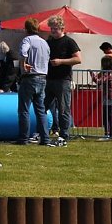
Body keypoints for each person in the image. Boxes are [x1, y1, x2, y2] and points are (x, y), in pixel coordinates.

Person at [16, 19, 55, 146]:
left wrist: (23, 64)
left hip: (30, 77)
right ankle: (45, 138)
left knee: (24, 109)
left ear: (26, 29)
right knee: (41, 110)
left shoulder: (27, 40)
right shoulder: (45, 43)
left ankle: (23, 138)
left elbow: (23, 52)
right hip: (43, 77)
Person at [45, 15, 81, 143]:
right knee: (43, 106)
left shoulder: (69, 42)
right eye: (51, 28)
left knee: (63, 108)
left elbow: (78, 59)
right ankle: (42, 132)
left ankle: (64, 134)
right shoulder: (48, 42)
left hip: (63, 79)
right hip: (48, 79)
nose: (53, 31)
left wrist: (61, 61)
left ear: (62, 28)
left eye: (55, 28)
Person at [91, 55, 112, 140]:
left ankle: (110, 134)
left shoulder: (108, 73)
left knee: (108, 116)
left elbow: (98, 82)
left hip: (109, 97)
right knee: (111, 116)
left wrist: (92, 74)